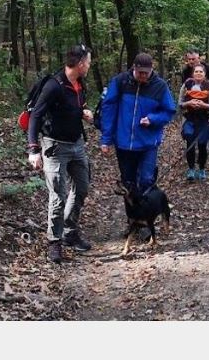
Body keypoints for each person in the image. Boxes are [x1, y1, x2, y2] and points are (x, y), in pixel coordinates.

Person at [26, 45, 95, 264]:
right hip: (54, 147)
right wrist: (33, 150)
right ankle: (54, 242)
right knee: (58, 196)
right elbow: (35, 116)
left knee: (82, 188)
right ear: (81, 63)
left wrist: (85, 114)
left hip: (76, 144)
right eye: (89, 62)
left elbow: (76, 107)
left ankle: (69, 232)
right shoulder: (53, 86)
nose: (90, 66)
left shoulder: (80, 84)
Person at [99, 52, 177, 197]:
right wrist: (106, 139)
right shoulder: (120, 81)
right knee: (128, 183)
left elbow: (169, 111)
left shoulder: (160, 86)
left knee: (146, 180)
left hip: (148, 142)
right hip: (124, 143)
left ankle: (147, 215)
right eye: (140, 72)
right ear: (134, 68)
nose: (143, 76)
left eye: (146, 73)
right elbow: (108, 109)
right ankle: (133, 216)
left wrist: (152, 119)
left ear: (152, 69)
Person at [179, 65, 209, 181]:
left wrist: (203, 105)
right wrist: (189, 103)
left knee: (202, 144)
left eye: (201, 71)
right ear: (193, 73)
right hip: (189, 119)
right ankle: (191, 169)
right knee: (189, 141)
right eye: (196, 71)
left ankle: (201, 169)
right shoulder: (186, 85)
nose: (199, 73)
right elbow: (180, 103)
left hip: (204, 120)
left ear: (205, 74)